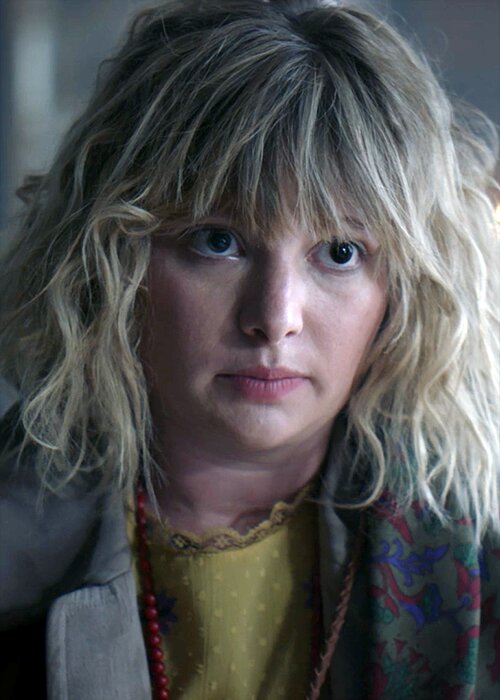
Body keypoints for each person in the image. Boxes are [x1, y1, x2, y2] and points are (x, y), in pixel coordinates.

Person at [0, 1, 498, 698]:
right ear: (113, 260)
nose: (275, 318)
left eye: (340, 252)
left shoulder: (476, 555)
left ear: (404, 289)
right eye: (218, 241)